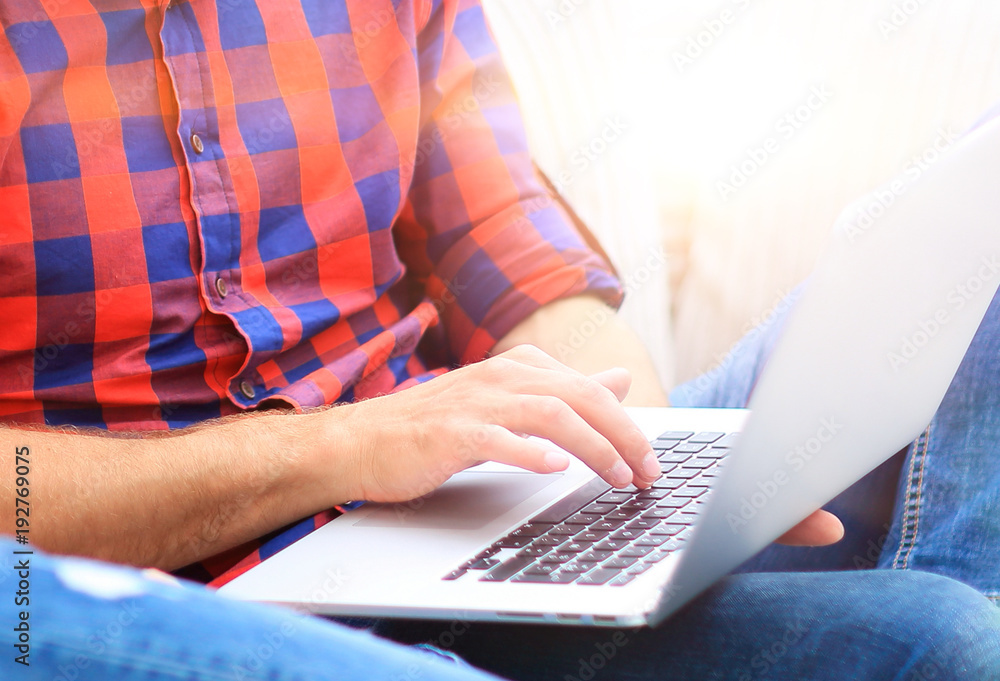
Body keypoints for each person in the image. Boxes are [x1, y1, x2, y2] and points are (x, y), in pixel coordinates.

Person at [0, 1, 997, 679]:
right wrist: (337, 446)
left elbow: (512, 252)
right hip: (152, 593)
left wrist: (650, 481)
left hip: (459, 511)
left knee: (949, 626)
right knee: (928, 643)